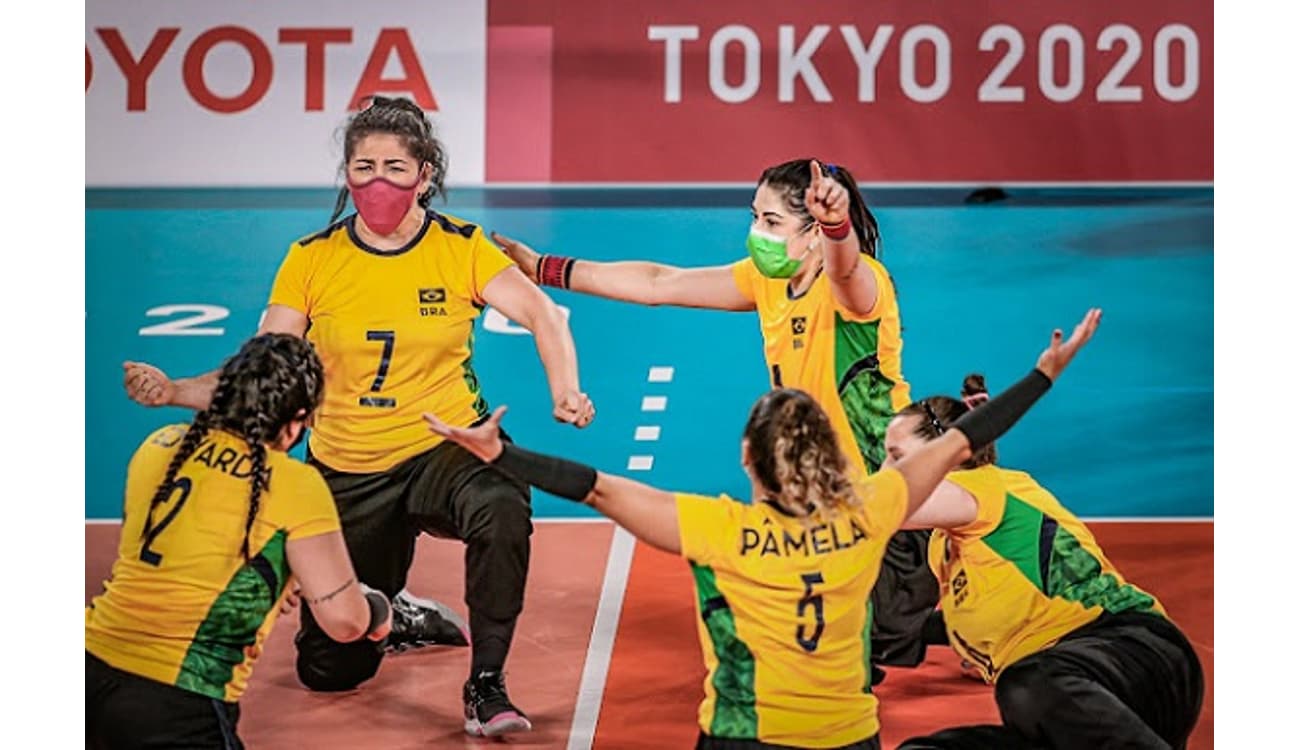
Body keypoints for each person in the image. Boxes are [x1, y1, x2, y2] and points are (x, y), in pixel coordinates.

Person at [120, 95, 594, 737]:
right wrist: (175, 390)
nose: (378, 182)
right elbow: (266, 369)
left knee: (502, 506)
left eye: (396, 168)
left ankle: (486, 683)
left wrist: (565, 390)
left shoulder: (462, 248)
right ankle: (393, 614)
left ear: (426, 175)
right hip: (347, 465)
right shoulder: (312, 258)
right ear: (346, 174)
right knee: (329, 668)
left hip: (447, 444)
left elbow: (539, 313)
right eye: (363, 166)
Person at [425, 310, 1102, 750]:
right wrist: (1042, 376)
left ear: (748, 459)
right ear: (833, 458)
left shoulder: (717, 528)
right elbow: (961, 441)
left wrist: (499, 454)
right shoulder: (870, 512)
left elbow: (596, 486)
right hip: (848, 739)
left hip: (744, 738)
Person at [492, 158, 937, 677]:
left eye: (772, 223)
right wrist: (545, 267)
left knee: (866, 643)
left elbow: (846, 269)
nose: (756, 234)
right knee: (810, 635)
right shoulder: (768, 280)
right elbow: (661, 282)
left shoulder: (858, 290)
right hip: (805, 496)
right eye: (755, 217)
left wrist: (839, 226)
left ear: (814, 232)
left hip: (873, 499)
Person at [88, 334, 393, 750]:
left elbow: (175, 553)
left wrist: (273, 582)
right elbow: (344, 621)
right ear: (295, 420)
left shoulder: (158, 446)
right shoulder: (293, 484)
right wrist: (377, 610)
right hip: (177, 697)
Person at [884, 358, 1204, 750]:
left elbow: (886, 505)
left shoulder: (985, 487)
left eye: (897, 457)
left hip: (1137, 657)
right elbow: (957, 625)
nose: (885, 470)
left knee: (1027, 683)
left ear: (942, 455)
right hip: (1071, 704)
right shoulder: (944, 547)